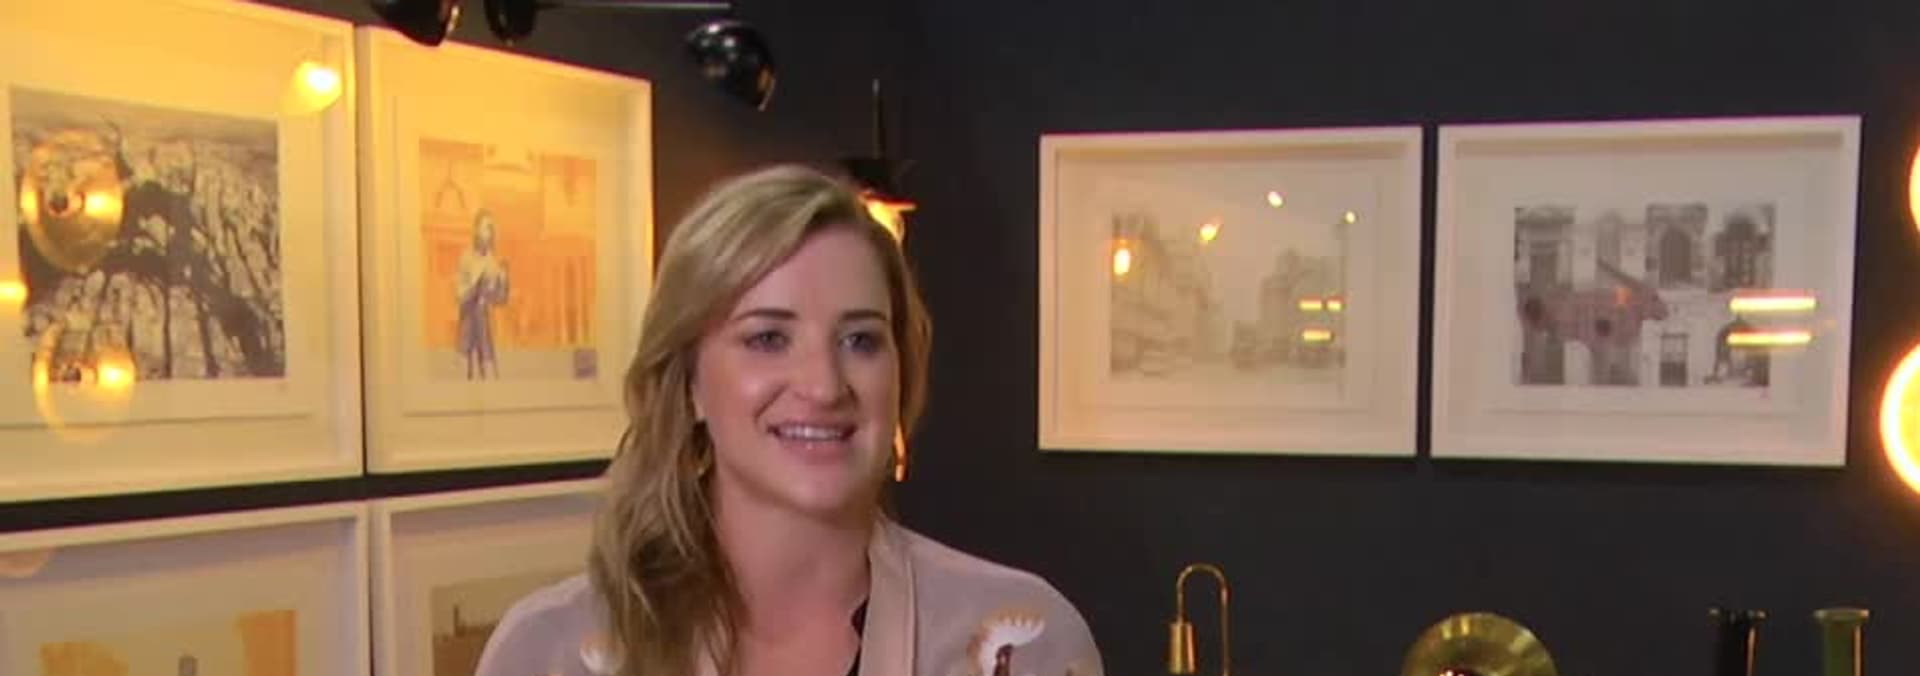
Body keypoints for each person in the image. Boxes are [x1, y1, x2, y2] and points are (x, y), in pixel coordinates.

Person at [473, 165, 1104, 676]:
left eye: (860, 340)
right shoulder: (550, 652)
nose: (824, 386)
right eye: (768, 338)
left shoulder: (1024, 644)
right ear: (688, 381)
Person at [455, 208, 509, 379]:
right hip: (467, 327)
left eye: (491, 228)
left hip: (484, 328)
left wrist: (503, 281)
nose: (489, 233)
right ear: (476, 230)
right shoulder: (466, 257)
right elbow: (460, 295)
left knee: (490, 375)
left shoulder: (492, 261)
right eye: (486, 228)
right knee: (464, 378)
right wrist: (477, 283)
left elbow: (499, 299)